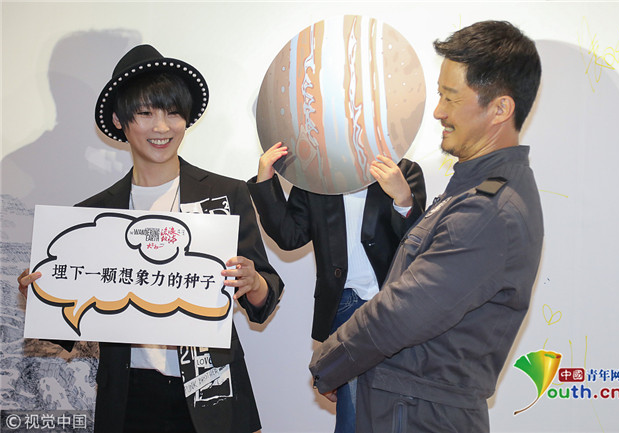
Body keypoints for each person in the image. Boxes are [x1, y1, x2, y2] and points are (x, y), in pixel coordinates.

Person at [18, 44, 283, 433]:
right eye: (145, 113)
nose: (162, 127)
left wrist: (253, 282)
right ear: (120, 120)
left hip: (212, 392)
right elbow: (64, 333)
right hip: (129, 397)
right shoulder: (92, 213)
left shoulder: (225, 195)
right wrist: (41, 298)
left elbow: (263, 298)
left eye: (173, 113)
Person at [309, 20, 544, 432]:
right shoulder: (473, 188)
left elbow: (406, 309)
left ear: (500, 109)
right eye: (440, 95)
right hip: (406, 407)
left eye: (451, 98)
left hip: (419, 416)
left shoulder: (490, 209)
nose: (438, 112)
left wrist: (331, 361)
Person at [247, 143, 425, 433]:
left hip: (395, 307)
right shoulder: (316, 176)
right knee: (353, 416)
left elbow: (418, 245)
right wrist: (265, 182)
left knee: (400, 412)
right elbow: (290, 236)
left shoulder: (403, 170)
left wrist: (403, 198)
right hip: (344, 309)